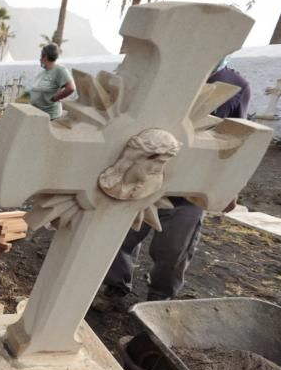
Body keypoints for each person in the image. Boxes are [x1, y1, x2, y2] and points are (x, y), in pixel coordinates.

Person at [98, 59, 250, 304]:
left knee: (173, 251)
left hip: (189, 190)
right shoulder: (168, 72)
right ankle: (115, 286)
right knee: (122, 238)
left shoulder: (235, 85)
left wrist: (231, 186)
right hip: (141, 181)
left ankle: (158, 304)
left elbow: (237, 138)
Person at [29, 43, 75, 120]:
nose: (39, 59)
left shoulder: (60, 70)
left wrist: (55, 98)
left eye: (40, 56)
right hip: (37, 114)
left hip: (50, 117)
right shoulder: (41, 73)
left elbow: (71, 88)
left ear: (44, 56)